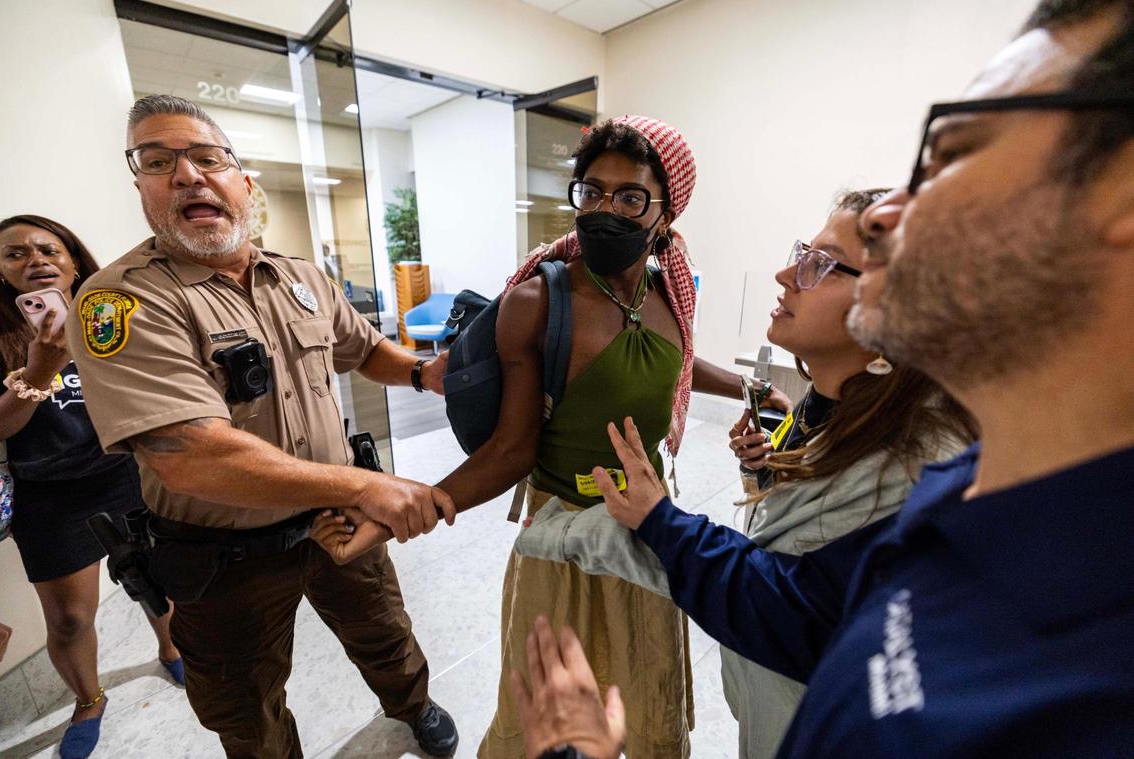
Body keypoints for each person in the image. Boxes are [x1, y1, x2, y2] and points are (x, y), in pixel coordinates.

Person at [512, 0, 1134, 754]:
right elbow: (812, 604)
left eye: (955, 152)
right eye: (595, 193)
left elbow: (787, 608)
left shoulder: (1071, 660)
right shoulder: (971, 492)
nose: (887, 217)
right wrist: (776, 462)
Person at [312, 115, 789, 759]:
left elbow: (674, 357)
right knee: (546, 723)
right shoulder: (539, 301)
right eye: (590, 191)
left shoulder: (666, 288)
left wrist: (748, 390)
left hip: (648, 535)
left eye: (629, 197)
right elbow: (512, 450)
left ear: (666, 211)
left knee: (645, 702)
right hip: (561, 544)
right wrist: (408, 509)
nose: (604, 210)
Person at [513, 189, 977, 758]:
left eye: (819, 265)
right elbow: (801, 527)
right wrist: (764, 468)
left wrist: (653, 521)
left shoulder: (920, 462)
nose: (785, 274)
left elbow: (784, 599)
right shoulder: (836, 401)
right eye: (801, 252)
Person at [66, 94, 459, 759]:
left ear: (242, 184)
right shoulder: (123, 299)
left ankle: (413, 705)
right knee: (245, 701)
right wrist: (365, 486)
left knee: (384, 629)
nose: (188, 174)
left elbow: (363, 350)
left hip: (337, 522)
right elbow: (188, 455)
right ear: (142, 189)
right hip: (223, 556)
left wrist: (425, 373)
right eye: (159, 161)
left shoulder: (301, 276)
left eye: (207, 157)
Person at [0, 214, 182, 759]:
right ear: (0, 273)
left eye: (48, 249)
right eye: (15, 254)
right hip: (48, 494)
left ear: (74, 259)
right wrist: (38, 370)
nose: (35, 260)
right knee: (72, 619)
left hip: (129, 473)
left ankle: (171, 650)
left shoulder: (112, 315)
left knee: (158, 582)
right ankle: (89, 699)